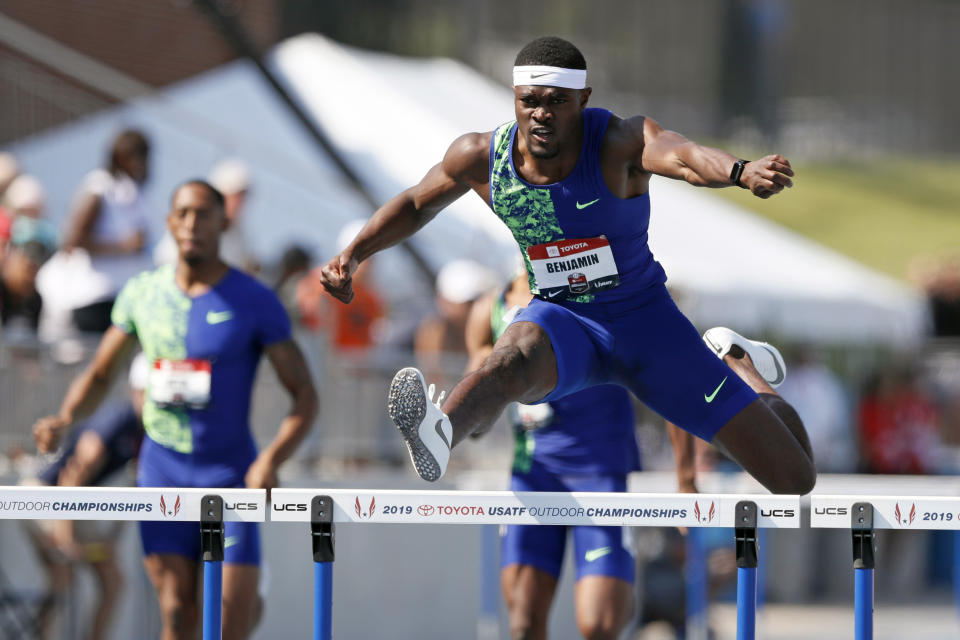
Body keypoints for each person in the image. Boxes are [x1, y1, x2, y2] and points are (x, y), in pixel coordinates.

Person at [319, 36, 815, 497]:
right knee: (511, 356)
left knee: (794, 479)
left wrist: (738, 171)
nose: (541, 114)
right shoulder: (481, 156)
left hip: (646, 324)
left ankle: (736, 364)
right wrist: (355, 253)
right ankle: (439, 428)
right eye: (529, 101)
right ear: (514, 98)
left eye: (556, 101)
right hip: (565, 319)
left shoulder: (619, 142)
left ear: (582, 100)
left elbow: (685, 158)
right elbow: (415, 204)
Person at [33, 180, 318, 640]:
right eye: (182, 213)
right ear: (169, 221)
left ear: (224, 223)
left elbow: (305, 395)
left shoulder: (254, 299)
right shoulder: (142, 293)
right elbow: (103, 374)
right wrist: (66, 417)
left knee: (228, 624)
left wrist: (272, 458)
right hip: (161, 472)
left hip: (230, 475)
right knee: (176, 612)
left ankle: (249, 597)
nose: (192, 224)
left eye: (204, 214)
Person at [466, 269, 643, 639]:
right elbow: (477, 425)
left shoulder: (600, 291)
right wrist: (466, 414)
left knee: (600, 625)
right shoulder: (490, 309)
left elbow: (668, 370)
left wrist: (688, 477)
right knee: (524, 625)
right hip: (534, 474)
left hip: (599, 474)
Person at [60, 130, 153, 333]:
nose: (144, 163)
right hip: (96, 300)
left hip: (119, 297)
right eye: (140, 156)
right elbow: (74, 239)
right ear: (122, 157)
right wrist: (124, 246)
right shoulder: (99, 187)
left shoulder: (130, 190)